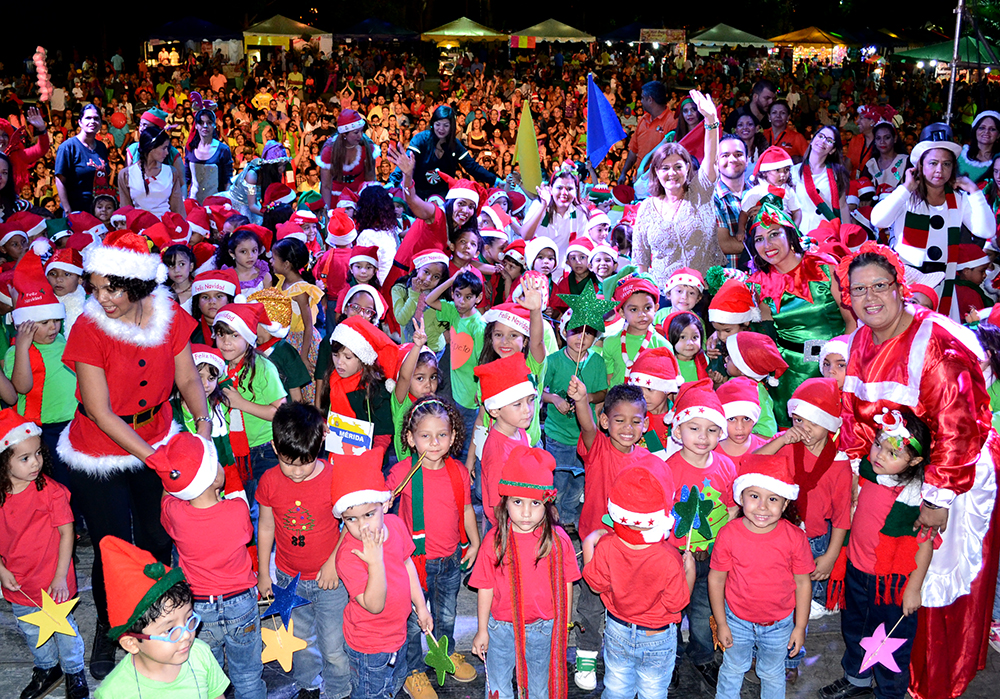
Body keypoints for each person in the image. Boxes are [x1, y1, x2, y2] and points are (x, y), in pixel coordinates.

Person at [836, 242, 1000, 699]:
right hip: (891, 472)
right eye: (859, 290)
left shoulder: (937, 347)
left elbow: (959, 428)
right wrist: (855, 465)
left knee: (926, 586)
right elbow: (852, 407)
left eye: (880, 286)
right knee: (881, 575)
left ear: (899, 286)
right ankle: (875, 667)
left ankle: (919, 682)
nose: (870, 298)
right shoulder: (863, 337)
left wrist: (937, 499)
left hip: (952, 477)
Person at [56, 230, 210, 680]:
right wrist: (156, 458)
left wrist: (201, 427)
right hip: (99, 451)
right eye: (95, 287)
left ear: (139, 284)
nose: (101, 297)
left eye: (111, 288)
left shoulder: (170, 316)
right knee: (110, 546)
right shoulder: (89, 326)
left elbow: (187, 382)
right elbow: (101, 413)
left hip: (158, 438)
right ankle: (109, 626)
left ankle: (165, 622)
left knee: (158, 539)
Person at [821, 410, 934, 699]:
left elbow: (924, 544)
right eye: (878, 445)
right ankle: (856, 681)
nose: (879, 455)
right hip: (856, 572)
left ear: (915, 461)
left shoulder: (916, 497)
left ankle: (889, 692)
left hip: (891, 585)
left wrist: (913, 588)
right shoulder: (867, 474)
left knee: (889, 642)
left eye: (892, 452)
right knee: (855, 630)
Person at [150, 433, 264, 699]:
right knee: (247, 675)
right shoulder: (237, 510)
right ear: (215, 478)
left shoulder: (176, 516)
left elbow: (166, 498)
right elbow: (248, 534)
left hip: (199, 610)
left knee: (204, 675)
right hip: (241, 605)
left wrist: (172, 477)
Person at [469, 446, 580, 699]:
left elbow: (566, 585)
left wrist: (562, 626)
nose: (527, 512)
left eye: (535, 503)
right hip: (501, 628)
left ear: (547, 503)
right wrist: (482, 628)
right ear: (505, 501)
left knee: (539, 687)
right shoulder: (494, 541)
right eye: (518, 502)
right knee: (497, 685)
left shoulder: (557, 541)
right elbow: (485, 586)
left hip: (542, 628)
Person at [388, 396, 481, 697]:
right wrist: (382, 499)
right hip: (414, 562)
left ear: (453, 436)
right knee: (415, 620)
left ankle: (444, 652)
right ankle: (413, 670)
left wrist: (474, 540)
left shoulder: (456, 471)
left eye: (441, 435)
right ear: (410, 439)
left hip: (450, 559)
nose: (434, 442)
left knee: (446, 614)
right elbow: (378, 504)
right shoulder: (402, 473)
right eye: (425, 436)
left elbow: (466, 509)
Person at [256, 402, 350, 699]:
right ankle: (308, 684)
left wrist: (334, 562)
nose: (296, 472)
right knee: (300, 638)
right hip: (288, 579)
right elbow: (267, 527)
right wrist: (263, 572)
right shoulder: (269, 481)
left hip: (330, 579)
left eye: (304, 463)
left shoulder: (334, 478)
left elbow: (350, 524)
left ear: (320, 443)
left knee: (334, 643)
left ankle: (338, 690)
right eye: (288, 463)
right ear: (274, 447)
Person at [582, 463, 694, 699]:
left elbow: (594, 585)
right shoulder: (669, 558)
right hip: (657, 636)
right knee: (653, 692)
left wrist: (588, 543)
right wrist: (690, 572)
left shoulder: (607, 546)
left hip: (618, 630)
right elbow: (677, 604)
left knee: (616, 689)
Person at [709, 454, 815, 699]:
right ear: (741, 497)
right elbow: (716, 579)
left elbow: (802, 582)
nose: (763, 507)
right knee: (733, 668)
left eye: (773, 499)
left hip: (779, 624)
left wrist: (799, 627)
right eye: (754, 496)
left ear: (786, 503)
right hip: (737, 620)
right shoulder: (728, 534)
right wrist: (722, 622)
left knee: (772, 672)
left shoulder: (795, 538)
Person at [0, 409, 89, 699]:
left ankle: (75, 673)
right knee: (31, 631)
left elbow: (66, 532)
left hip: (54, 582)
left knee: (66, 633)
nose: (36, 462)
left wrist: (61, 576)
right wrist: (1, 571)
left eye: (38, 453)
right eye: (24, 458)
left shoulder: (51, 492)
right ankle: (47, 667)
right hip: (19, 583)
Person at [332, 446, 434, 699]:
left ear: (385, 504)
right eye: (350, 519)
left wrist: (421, 607)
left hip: (397, 634)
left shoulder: (396, 526)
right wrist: (375, 561)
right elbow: (374, 605)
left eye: (369, 514)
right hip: (370, 646)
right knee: (370, 693)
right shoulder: (349, 554)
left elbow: (407, 565)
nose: (361, 526)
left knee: (396, 681)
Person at [746, 203, 853, 423]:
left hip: (834, 370)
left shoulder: (824, 267)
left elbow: (852, 321)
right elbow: (767, 338)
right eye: (759, 239)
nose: (767, 245)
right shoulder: (758, 284)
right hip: (789, 376)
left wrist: (844, 365)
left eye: (774, 234)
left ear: (790, 233)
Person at [871, 137, 995, 322]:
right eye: (933, 163)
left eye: (946, 164)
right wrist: (906, 187)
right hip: (908, 282)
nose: (939, 170)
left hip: (943, 285)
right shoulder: (906, 195)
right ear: (920, 166)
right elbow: (878, 220)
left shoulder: (959, 199)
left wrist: (974, 192)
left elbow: (986, 231)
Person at [92, 536, 230, 698]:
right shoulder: (114, 692)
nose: (186, 634)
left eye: (188, 619)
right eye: (169, 629)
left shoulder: (200, 654)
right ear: (131, 643)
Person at [633, 90, 724, 287]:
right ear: (656, 172)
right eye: (665, 168)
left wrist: (711, 121)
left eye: (678, 167)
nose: (671, 173)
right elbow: (641, 262)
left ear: (688, 169)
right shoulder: (646, 208)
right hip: (663, 298)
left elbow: (711, 160)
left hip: (701, 293)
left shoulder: (700, 194)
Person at [389, 105, 499, 201]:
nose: (441, 129)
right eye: (438, 124)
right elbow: (406, 162)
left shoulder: (455, 145)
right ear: (432, 123)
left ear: (452, 126)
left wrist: (495, 180)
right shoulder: (421, 139)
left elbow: (472, 167)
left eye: (446, 125)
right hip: (417, 193)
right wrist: (392, 183)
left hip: (443, 194)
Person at [519, 161, 590, 267]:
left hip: (563, 269)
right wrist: (543, 206)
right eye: (559, 188)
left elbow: (580, 245)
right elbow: (525, 235)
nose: (564, 193)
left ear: (576, 191)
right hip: (536, 267)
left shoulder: (580, 213)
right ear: (551, 189)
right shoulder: (538, 205)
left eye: (570, 189)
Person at [792, 125, 851, 233]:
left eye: (829, 140)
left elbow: (843, 207)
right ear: (812, 140)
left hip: (829, 235)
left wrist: (848, 235)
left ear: (832, 150)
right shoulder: (794, 172)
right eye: (820, 136)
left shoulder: (837, 173)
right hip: (803, 234)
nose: (823, 141)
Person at [55, 104, 110, 214]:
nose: (92, 121)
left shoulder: (101, 147)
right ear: (80, 122)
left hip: (99, 211)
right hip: (76, 210)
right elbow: (60, 181)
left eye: (96, 118)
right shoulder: (68, 147)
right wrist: (67, 210)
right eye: (88, 118)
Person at [619, 81, 677, 184]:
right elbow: (633, 151)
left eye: (642, 98)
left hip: (660, 183)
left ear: (650, 99)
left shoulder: (672, 121)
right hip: (640, 181)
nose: (640, 101)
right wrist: (624, 172)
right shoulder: (643, 120)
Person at [118, 125, 183, 217]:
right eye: (163, 148)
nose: (167, 153)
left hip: (166, 226)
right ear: (151, 148)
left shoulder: (171, 172)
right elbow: (125, 209)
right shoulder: (126, 174)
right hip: (138, 227)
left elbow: (178, 208)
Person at [318, 110, 377, 209]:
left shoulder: (367, 147)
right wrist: (327, 213)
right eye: (356, 132)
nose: (360, 135)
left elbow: (370, 181)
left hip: (360, 198)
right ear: (344, 134)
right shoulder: (329, 150)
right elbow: (326, 186)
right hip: (335, 198)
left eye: (362, 131)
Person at [714, 134, 750, 269]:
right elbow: (724, 244)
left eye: (738, 154)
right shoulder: (710, 198)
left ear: (747, 159)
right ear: (716, 162)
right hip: (725, 283)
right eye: (725, 155)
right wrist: (770, 245)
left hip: (762, 282)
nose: (732, 159)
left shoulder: (760, 194)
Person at [185, 107, 233, 200]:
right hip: (194, 201)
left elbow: (227, 179)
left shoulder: (223, 149)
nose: (205, 126)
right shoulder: (190, 148)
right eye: (201, 123)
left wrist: (227, 201)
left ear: (214, 125)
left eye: (209, 123)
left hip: (216, 201)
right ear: (196, 125)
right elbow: (186, 177)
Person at [864, 121, 909, 199]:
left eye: (887, 137)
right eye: (878, 138)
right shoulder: (870, 165)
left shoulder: (906, 161)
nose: (882, 142)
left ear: (895, 139)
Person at [959, 111, 1000, 184]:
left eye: (992, 129)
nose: (986, 132)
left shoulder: (998, 160)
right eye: (982, 128)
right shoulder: (960, 153)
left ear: (998, 135)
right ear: (975, 131)